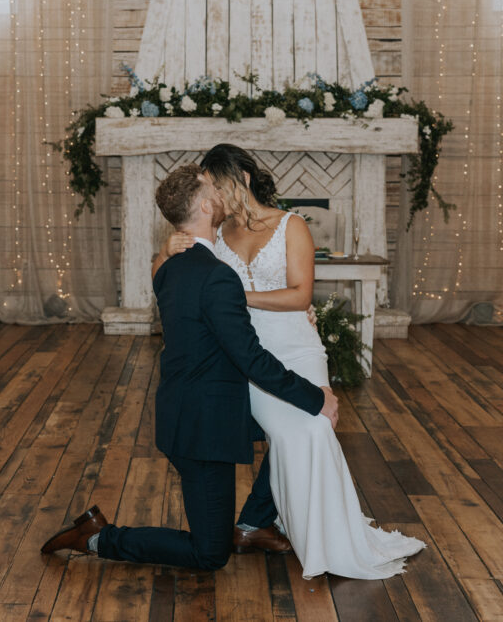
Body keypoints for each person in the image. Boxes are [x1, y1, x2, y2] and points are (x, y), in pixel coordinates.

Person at [40, 164, 340, 571]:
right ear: (202, 205)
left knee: (289, 433)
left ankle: (254, 521)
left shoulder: (172, 268)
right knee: (209, 553)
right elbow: (249, 357)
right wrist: (314, 396)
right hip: (205, 428)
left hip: (192, 410)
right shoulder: (216, 276)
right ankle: (96, 538)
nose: (220, 192)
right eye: (212, 189)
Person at [154, 144, 425, 579]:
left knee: (314, 427)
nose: (215, 195)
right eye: (208, 189)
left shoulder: (290, 225)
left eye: (215, 182)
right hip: (243, 354)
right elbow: (170, 280)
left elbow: (301, 295)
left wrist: (232, 298)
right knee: (290, 431)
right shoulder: (212, 235)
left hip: (295, 345)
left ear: (241, 179)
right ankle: (257, 523)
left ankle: (278, 526)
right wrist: (166, 249)